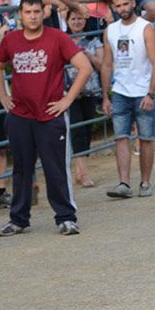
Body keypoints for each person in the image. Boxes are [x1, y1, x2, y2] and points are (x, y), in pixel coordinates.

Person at [0, 0, 93, 237]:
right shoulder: (11, 40)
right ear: (21, 15)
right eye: (28, 12)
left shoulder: (57, 38)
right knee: (21, 169)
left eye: (37, 11)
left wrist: (67, 100)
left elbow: (85, 67)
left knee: (55, 168)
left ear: (43, 12)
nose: (33, 16)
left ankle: (66, 218)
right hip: (20, 115)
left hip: (49, 114)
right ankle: (18, 220)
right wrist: (3, 96)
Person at [100, 0, 155, 199]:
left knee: (145, 138)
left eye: (125, 4)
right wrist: (105, 95)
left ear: (133, 3)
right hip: (120, 91)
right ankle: (124, 183)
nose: (122, 9)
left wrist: (151, 93)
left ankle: (145, 182)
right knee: (121, 137)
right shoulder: (110, 30)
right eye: (118, 6)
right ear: (114, 8)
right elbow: (107, 64)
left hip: (143, 90)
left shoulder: (145, 28)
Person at [63, 11, 103, 187]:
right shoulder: (63, 40)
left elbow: (103, 65)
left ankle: (80, 170)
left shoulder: (94, 41)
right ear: (67, 21)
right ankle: (83, 173)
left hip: (90, 90)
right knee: (77, 130)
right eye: (73, 19)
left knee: (87, 129)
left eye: (79, 18)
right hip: (70, 93)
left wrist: (90, 57)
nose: (77, 22)